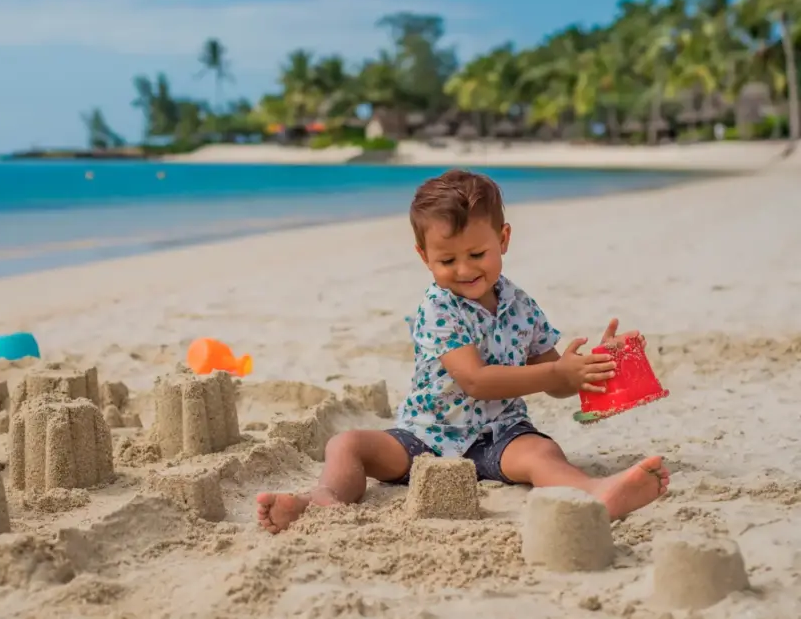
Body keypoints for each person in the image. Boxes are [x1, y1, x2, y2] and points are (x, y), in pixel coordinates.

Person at [257, 169, 670, 534]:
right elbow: (475, 380)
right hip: (423, 437)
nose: (465, 269)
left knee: (543, 453)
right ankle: (323, 497)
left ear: (503, 239)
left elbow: (555, 381)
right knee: (347, 443)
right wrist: (557, 374)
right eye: (447, 260)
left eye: (477, 254)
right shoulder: (438, 308)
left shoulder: (521, 306)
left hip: (500, 436)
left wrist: (593, 366)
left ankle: (596, 492)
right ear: (424, 257)